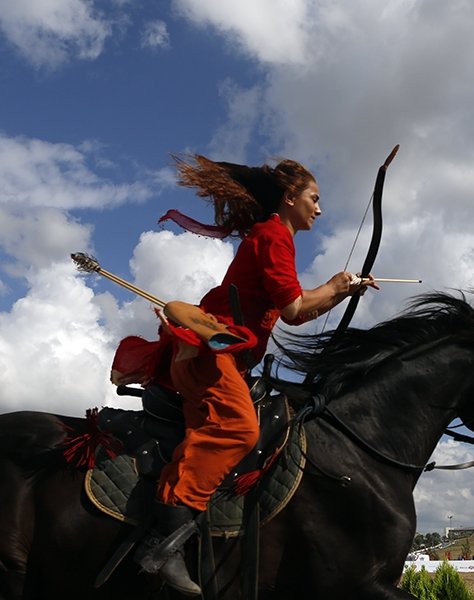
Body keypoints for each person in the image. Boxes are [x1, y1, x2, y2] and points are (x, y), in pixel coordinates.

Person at [132, 154, 377, 595]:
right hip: (213, 354)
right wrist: (339, 286)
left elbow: (295, 315)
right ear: (289, 197)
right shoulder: (272, 236)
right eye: (314, 199)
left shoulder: (277, 238)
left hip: (221, 358)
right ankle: (162, 542)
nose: (319, 209)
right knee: (240, 429)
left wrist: (342, 292)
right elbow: (295, 308)